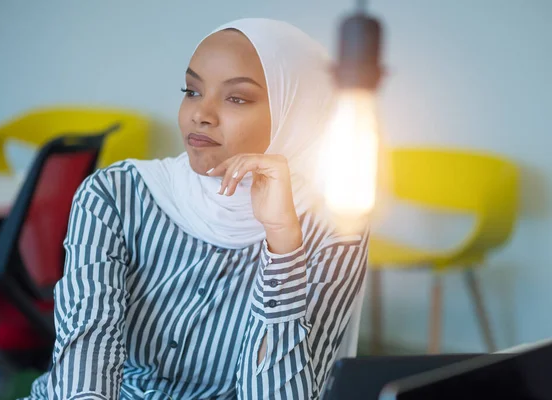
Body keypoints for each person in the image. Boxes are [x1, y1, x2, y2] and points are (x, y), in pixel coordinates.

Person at [25, 18, 368, 400]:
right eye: (191, 91)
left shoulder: (336, 231)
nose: (200, 114)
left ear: (297, 114)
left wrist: (283, 246)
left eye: (236, 98)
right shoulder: (114, 195)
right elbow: (85, 354)